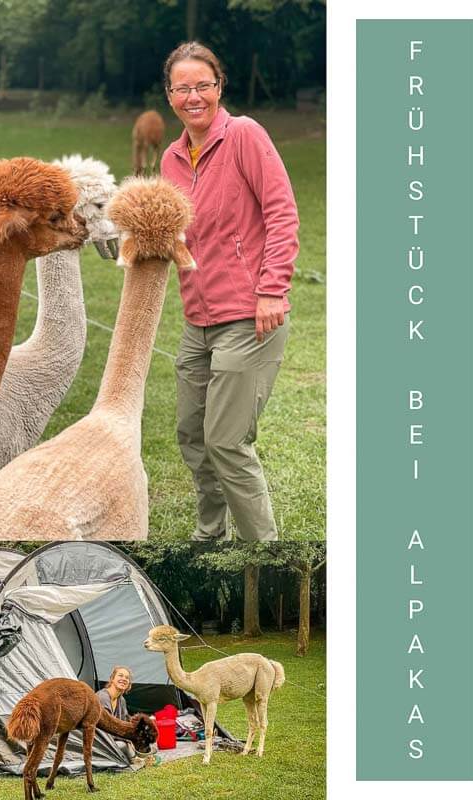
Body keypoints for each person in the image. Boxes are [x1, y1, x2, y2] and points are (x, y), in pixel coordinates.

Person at [160, 42, 299, 542]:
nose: (193, 96)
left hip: (249, 315)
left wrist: (271, 290)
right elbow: (170, 230)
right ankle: (209, 533)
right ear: (169, 94)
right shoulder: (171, 158)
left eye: (203, 85)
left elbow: (282, 214)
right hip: (196, 319)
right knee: (192, 437)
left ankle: (262, 545)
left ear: (219, 88)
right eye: (183, 88)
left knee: (226, 441)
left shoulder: (243, 135)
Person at [96, 666, 140, 762]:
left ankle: (135, 757)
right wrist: (127, 740)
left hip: (112, 738)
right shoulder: (103, 697)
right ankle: (134, 759)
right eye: (120, 675)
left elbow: (124, 724)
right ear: (112, 679)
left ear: (129, 684)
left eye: (127, 678)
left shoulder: (121, 700)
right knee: (122, 746)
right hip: (98, 741)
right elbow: (105, 728)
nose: (124, 679)